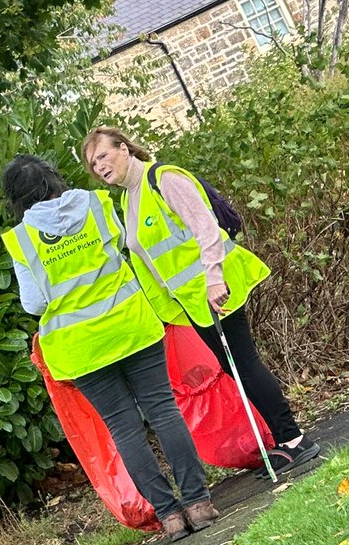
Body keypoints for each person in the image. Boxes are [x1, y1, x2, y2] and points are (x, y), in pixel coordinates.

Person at [81, 126, 320, 476]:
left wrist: (213, 277)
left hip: (216, 288)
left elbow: (205, 226)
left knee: (244, 364)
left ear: (124, 148)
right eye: (92, 163)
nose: (99, 165)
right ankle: (285, 440)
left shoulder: (163, 179)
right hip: (193, 302)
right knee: (234, 368)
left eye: (103, 155)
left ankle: (295, 440)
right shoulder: (131, 197)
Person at [0, 154, 216, 541]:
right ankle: (199, 503)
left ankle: (169, 516)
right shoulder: (97, 204)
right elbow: (123, 249)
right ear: (54, 180)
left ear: (16, 199)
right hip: (131, 326)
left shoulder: (21, 238)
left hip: (82, 348)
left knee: (124, 428)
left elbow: (33, 303)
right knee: (163, 410)